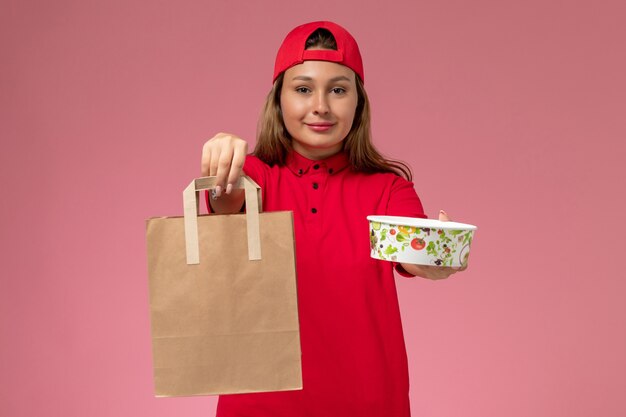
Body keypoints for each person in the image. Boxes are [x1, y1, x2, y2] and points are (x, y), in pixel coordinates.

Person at [200, 21, 466, 417]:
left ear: (358, 102)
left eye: (338, 89)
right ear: (279, 100)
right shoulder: (256, 176)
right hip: (259, 404)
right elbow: (225, 200)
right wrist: (223, 158)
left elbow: (412, 254)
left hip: (367, 402)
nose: (320, 105)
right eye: (303, 89)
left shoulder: (387, 189)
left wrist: (437, 253)